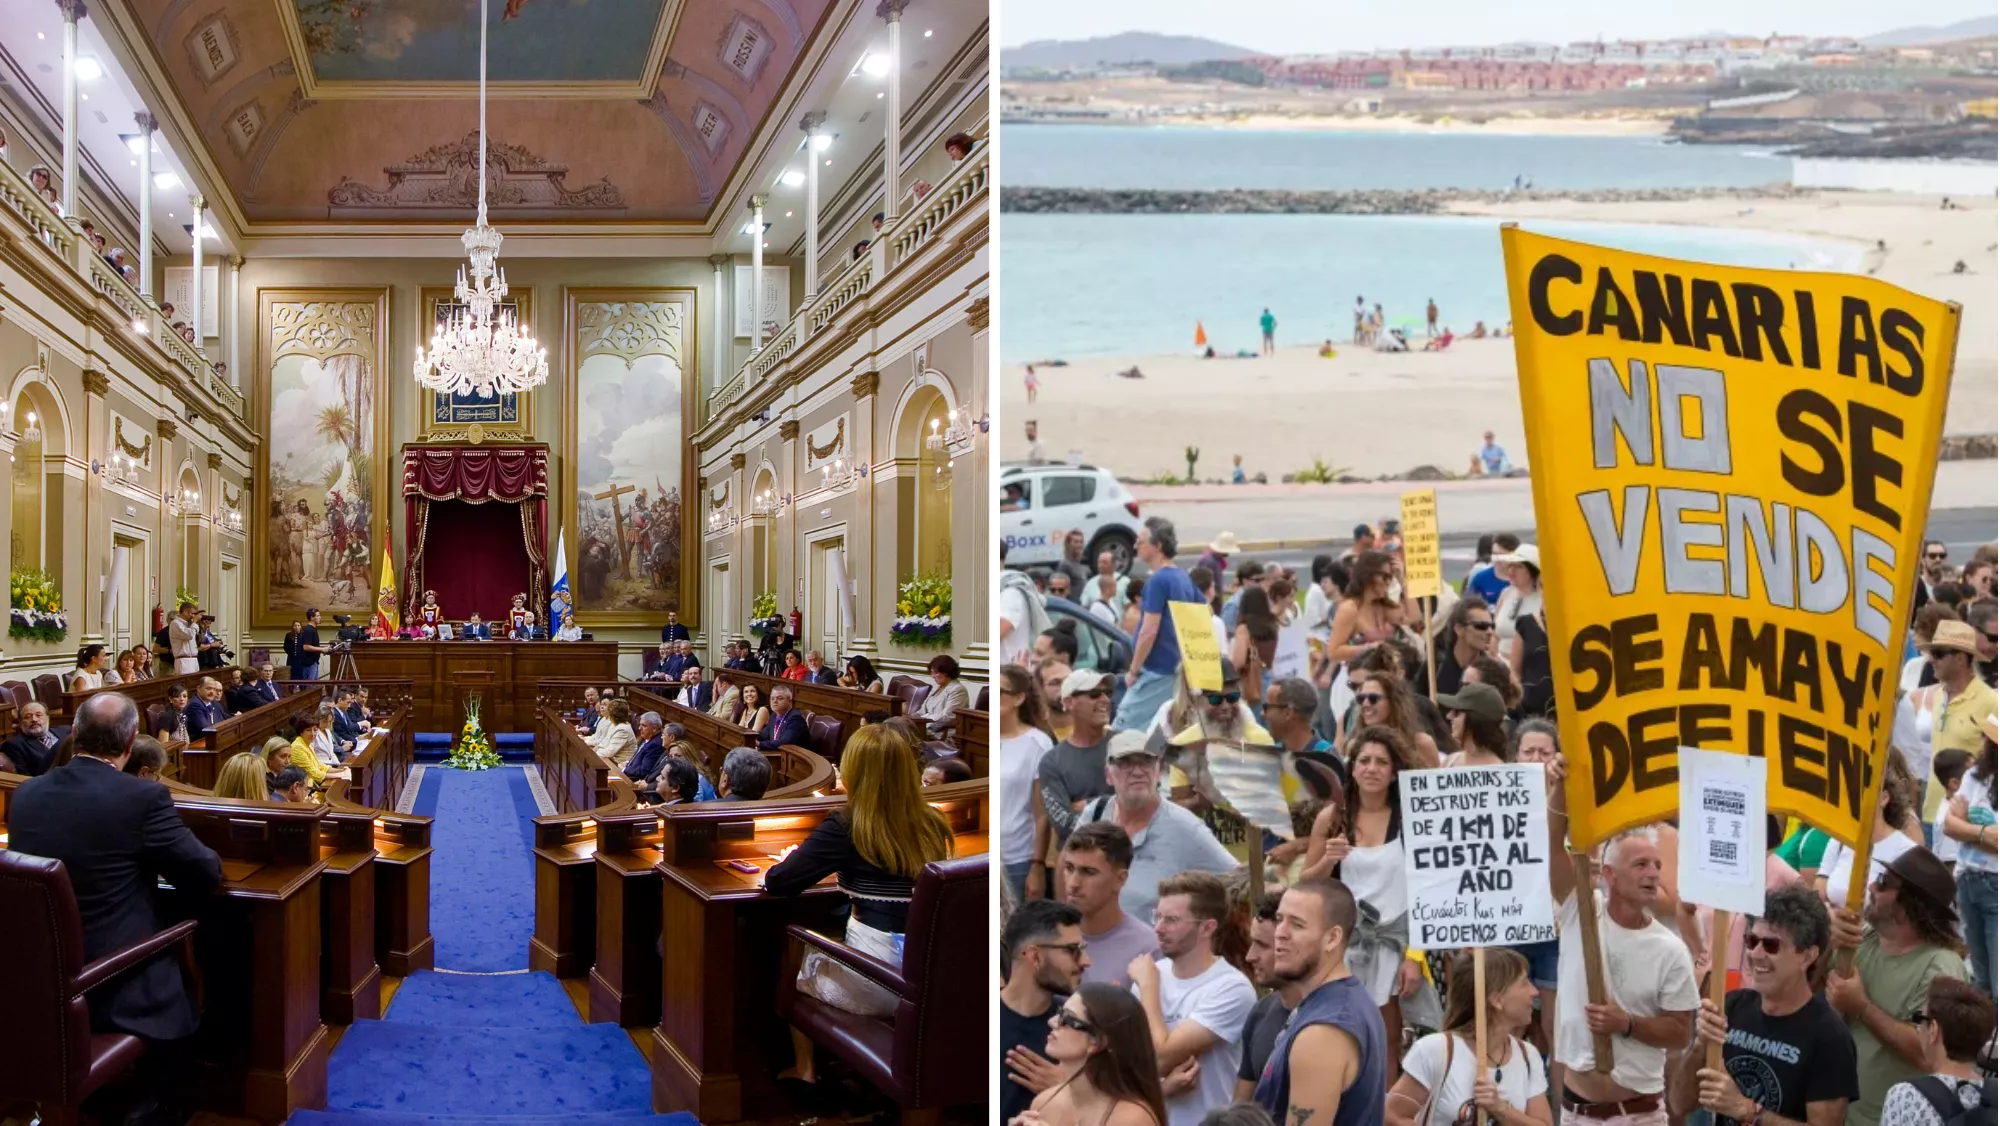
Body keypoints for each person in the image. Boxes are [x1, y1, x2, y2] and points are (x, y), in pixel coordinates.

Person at [6, 693, 223, 1066]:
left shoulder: (27, 792)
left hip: (32, 981)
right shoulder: (143, 796)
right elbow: (205, 872)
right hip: (113, 985)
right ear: (129, 743)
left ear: (73, 732)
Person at [767, 724, 954, 1085]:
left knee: (796, 952)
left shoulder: (847, 825)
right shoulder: (935, 821)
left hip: (882, 982)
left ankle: (806, 1069)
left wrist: (795, 857)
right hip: (933, 977)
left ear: (853, 772)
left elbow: (780, 881)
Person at [1546, 757, 1698, 1126]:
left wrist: (1626, 1023)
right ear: (1609, 874)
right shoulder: (1581, 912)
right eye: (1641, 865)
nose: (1653, 874)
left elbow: (1680, 1033)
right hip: (1576, 1113)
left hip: (1638, 1116)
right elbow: (1550, 845)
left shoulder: (1670, 949)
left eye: (1656, 865)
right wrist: (1564, 786)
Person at [1302, 727, 1438, 1074]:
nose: (1372, 768)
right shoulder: (1333, 818)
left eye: (1381, 762)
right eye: (1364, 760)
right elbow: (1304, 886)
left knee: (1388, 1040)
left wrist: (1415, 956)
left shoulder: (1412, 818)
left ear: (1395, 772)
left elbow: (1430, 889)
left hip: (1397, 945)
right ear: (1352, 768)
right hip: (1345, 945)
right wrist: (1328, 860)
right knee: (1343, 1037)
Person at [1668, 883, 1855, 1126]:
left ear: (1807, 956)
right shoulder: (1732, 1007)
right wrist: (1701, 1046)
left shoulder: (1829, 1037)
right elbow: (1679, 1104)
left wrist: (1748, 1111)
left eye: (1771, 945)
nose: (1755, 953)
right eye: (1751, 940)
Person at [1827, 847, 1973, 1126]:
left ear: (1911, 905)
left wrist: (1861, 1008)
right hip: (1841, 1113)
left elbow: (1928, 1053)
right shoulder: (1863, 938)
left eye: (1883, 882)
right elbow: (1810, 990)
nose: (1871, 885)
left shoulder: (1942, 967)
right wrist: (1827, 942)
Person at [1252, 878, 1387, 1126]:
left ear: (1332, 938)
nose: (1280, 933)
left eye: (1297, 924)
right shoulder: (1338, 1002)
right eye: (1280, 919)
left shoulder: (1324, 1030)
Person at [1130, 870, 1257, 1126]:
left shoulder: (1231, 988)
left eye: (1172, 920)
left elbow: (1163, 1057)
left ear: (1207, 927)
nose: (1158, 928)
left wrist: (1148, 988)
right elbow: (1128, 1066)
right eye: (1158, 916)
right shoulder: (1154, 973)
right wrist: (1163, 1089)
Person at [1077, 731, 1238, 923]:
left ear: (1158, 770)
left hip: (1154, 951)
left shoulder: (1185, 828)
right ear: (1108, 775)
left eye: (1146, 761)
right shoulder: (1095, 813)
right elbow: (1068, 874)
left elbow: (1237, 881)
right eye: (1126, 762)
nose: (1137, 771)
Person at [1389, 948, 1550, 1126]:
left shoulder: (1528, 1055)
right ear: (1497, 1000)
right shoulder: (1435, 1050)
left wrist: (1501, 1109)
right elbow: (1391, 1116)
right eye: (1524, 983)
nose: (1534, 991)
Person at [1002, 899, 1092, 1123]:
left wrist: (1072, 1089)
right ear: (1035, 956)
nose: (1086, 961)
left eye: (1083, 950)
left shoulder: (1084, 1024)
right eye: (1073, 950)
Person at [1117, 518, 1205, 732]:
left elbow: (1149, 630)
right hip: (1178, 669)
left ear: (1157, 546)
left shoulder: (1157, 581)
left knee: (1122, 729)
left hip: (1157, 669)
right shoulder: (1182, 577)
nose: (1136, 545)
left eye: (1141, 541)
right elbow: (1203, 611)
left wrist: (1133, 670)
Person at [1879, 976, 1996, 1125]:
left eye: (1920, 1018)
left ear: (1933, 1030)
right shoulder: (1995, 1095)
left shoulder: (1906, 1095)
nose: (1918, 1029)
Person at [1061, 821, 1159, 988]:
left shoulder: (1148, 948)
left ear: (1120, 879)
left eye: (1088, 872)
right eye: (1069, 868)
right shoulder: (1045, 936)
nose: (1073, 883)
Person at [1939, 725, 1996, 995]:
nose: (1984, 741)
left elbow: (1957, 825)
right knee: (1980, 975)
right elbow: (1949, 826)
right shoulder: (1975, 776)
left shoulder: (1975, 777)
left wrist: (1967, 826)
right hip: (1968, 879)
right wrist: (1985, 834)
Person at [1001, 664, 1057, 900]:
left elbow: (1042, 814)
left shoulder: (1038, 743)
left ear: (1019, 698)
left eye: (1000, 691)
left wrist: (1037, 866)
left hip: (1017, 858)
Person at [1429, 599, 1494, 698]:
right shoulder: (1434, 664)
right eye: (1481, 626)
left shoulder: (1493, 670)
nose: (1490, 632)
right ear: (1459, 629)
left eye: (1492, 626)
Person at [1435, 682, 1510, 766]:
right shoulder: (1449, 761)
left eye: (1457, 712)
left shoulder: (1499, 770)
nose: (1449, 716)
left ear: (1474, 719)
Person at [0, 700, 65, 777]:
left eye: (39, 715)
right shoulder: (15, 745)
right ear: (20, 723)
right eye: (28, 717)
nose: (34, 719)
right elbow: (23, 777)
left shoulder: (64, 730)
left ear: (48, 718)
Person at [913, 654, 972, 739]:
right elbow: (922, 711)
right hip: (926, 727)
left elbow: (948, 717)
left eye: (935, 673)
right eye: (931, 673)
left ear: (947, 672)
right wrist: (910, 719)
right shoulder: (937, 688)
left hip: (942, 733)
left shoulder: (958, 689)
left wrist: (923, 719)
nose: (932, 676)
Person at [756, 685, 808, 751]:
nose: (775, 701)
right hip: (777, 754)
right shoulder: (774, 715)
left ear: (789, 701)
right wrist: (750, 738)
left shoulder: (795, 718)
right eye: (772, 698)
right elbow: (763, 735)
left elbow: (785, 742)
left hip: (795, 758)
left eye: (779, 698)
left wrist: (760, 744)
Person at [594, 698, 638, 770]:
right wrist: (596, 749)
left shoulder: (623, 729)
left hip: (619, 765)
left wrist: (595, 753)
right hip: (611, 761)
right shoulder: (614, 725)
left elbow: (609, 752)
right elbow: (604, 743)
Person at [292, 607, 327, 680]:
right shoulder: (309, 630)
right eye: (317, 616)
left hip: (313, 663)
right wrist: (322, 649)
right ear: (312, 617)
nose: (320, 617)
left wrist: (323, 650)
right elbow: (306, 647)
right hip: (309, 664)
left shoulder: (313, 629)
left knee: (313, 687)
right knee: (310, 688)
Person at [167, 601, 201, 674]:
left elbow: (197, 635)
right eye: (192, 614)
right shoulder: (175, 623)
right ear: (185, 612)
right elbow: (188, 635)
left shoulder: (190, 624)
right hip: (183, 661)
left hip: (194, 659)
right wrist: (194, 622)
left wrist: (194, 623)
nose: (193, 616)